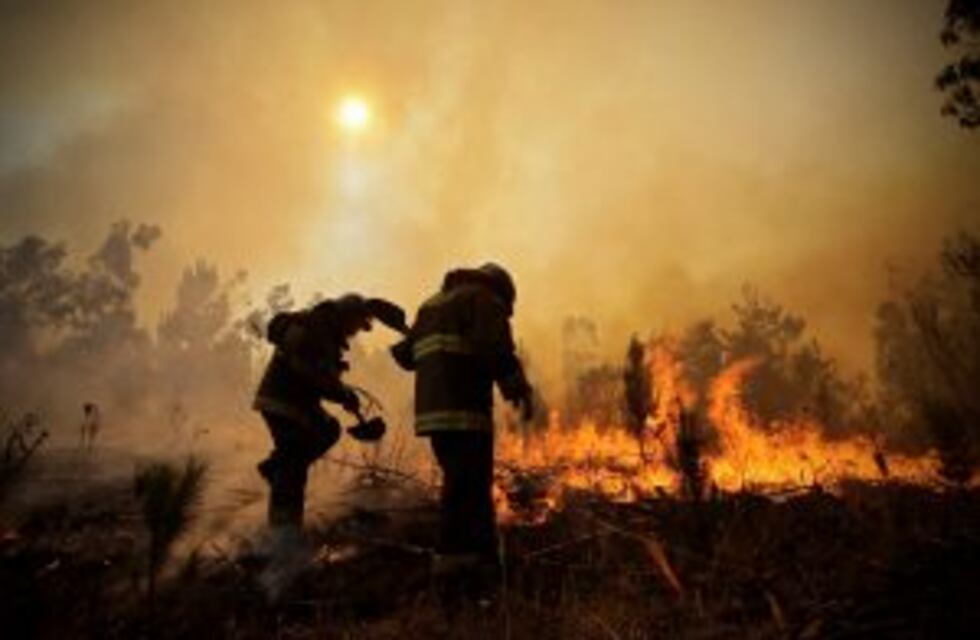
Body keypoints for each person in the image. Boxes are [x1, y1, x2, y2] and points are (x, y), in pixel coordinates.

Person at [391, 263, 534, 595]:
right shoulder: (484, 299)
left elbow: (405, 357)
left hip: (433, 416)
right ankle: (455, 575)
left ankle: (477, 564)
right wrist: (518, 388)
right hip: (465, 410)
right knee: (466, 491)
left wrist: (410, 332)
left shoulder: (432, 304)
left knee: (462, 486)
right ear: (503, 291)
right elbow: (495, 348)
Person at [252, 293, 406, 531]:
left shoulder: (325, 332)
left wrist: (341, 390)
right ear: (348, 316)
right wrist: (342, 393)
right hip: (283, 402)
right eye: (356, 326)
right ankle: (283, 532)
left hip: (298, 403)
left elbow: (320, 374)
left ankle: (275, 467)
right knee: (293, 465)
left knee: (328, 429)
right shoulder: (317, 329)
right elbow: (312, 373)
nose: (355, 333)